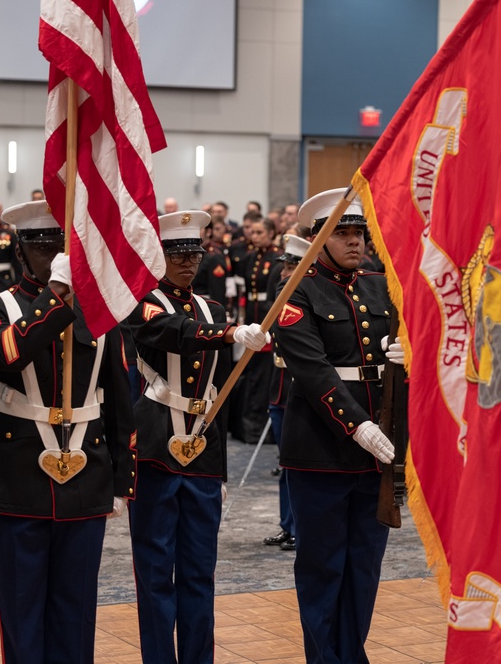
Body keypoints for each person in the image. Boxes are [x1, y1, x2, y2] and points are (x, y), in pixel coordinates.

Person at [0, 201, 135, 663]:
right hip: (18, 474)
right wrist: (58, 292)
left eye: (61, 248)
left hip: (88, 474)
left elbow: (120, 401)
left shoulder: (100, 313)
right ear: (20, 251)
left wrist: (122, 481)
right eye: (42, 248)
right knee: (22, 612)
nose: (53, 257)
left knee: (76, 610)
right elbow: (4, 355)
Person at [126, 210, 268, 664]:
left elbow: (219, 395)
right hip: (154, 449)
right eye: (177, 254)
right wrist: (228, 334)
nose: (188, 263)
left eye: (194, 254)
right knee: (154, 572)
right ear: (158, 256)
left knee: (199, 573)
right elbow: (174, 333)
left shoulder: (215, 308)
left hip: (204, 453)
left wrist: (222, 470)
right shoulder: (142, 302)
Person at [276, 188, 400, 663]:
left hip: (377, 453)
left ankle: (352, 654)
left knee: (364, 570)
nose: (353, 243)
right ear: (317, 240)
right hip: (321, 450)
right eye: (342, 234)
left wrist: (408, 356)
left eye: (358, 233)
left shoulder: (379, 285)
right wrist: (358, 425)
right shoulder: (297, 290)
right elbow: (312, 370)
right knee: (323, 568)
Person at [262, 234, 311, 552]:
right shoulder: (286, 289)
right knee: (285, 463)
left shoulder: (299, 293)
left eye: (291, 266)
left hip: (301, 388)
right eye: (284, 265)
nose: (283, 271)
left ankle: (300, 526)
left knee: (299, 463)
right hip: (280, 387)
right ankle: (287, 524)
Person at [239, 217, 281, 444]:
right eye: (252, 232)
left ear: (270, 233)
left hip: (267, 315)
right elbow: (246, 290)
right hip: (253, 313)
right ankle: (249, 427)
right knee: (252, 372)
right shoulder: (251, 257)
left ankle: (262, 428)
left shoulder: (276, 257)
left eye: (259, 232)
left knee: (264, 373)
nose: (254, 236)